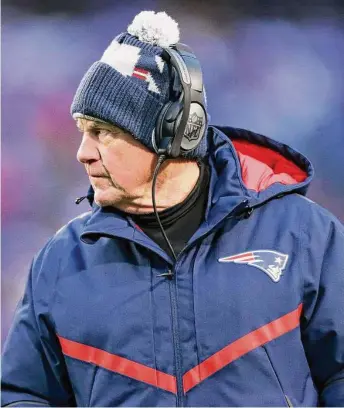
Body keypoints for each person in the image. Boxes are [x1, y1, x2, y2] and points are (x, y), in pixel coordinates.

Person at [2, 10, 344, 408]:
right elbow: (24, 394)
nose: (83, 154)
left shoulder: (302, 234)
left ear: (175, 135)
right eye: (82, 132)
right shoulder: (62, 259)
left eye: (103, 133)